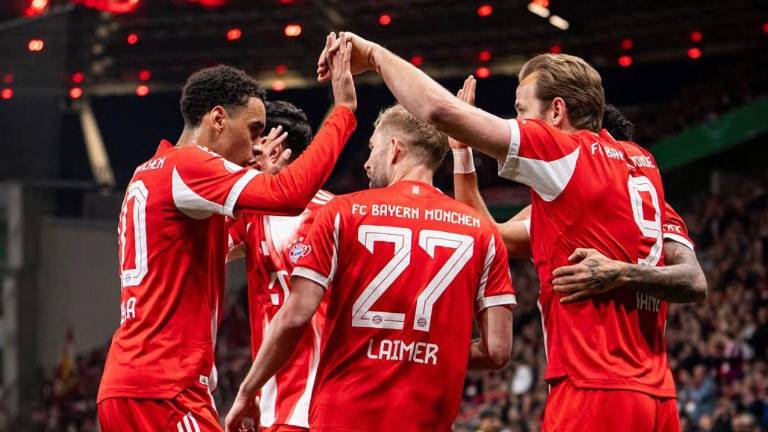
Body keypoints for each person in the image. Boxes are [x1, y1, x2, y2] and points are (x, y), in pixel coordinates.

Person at [318, 32, 686, 431]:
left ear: (556, 112)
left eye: (521, 109)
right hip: (658, 396)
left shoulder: (566, 153)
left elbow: (439, 110)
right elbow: (490, 233)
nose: (518, 121)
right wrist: (462, 153)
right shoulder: (639, 167)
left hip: (596, 388)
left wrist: (372, 55)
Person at [97, 33, 357, 432]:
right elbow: (289, 195)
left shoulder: (151, 172)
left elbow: (209, 245)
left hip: (131, 381)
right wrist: (343, 111)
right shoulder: (189, 166)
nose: (256, 147)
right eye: (253, 130)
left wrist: (254, 180)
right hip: (165, 388)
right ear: (218, 119)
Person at [225, 99, 516, 431]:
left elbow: (294, 315)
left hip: (337, 412)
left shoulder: (345, 213)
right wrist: (419, 347)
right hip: (426, 416)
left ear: (393, 149)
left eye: (372, 148)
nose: (365, 163)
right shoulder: (482, 232)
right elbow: (496, 352)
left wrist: (248, 389)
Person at [449, 80, 706, 305]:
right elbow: (694, 280)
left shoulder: (584, 190)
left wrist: (622, 273)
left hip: (588, 357)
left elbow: (486, 238)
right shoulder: (653, 203)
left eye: (523, 112)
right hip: (650, 359)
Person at [227, 100, 334, 431]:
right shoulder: (251, 214)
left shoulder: (332, 214)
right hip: (273, 401)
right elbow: (204, 248)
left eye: (253, 140)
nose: (246, 153)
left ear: (275, 148)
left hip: (315, 400)